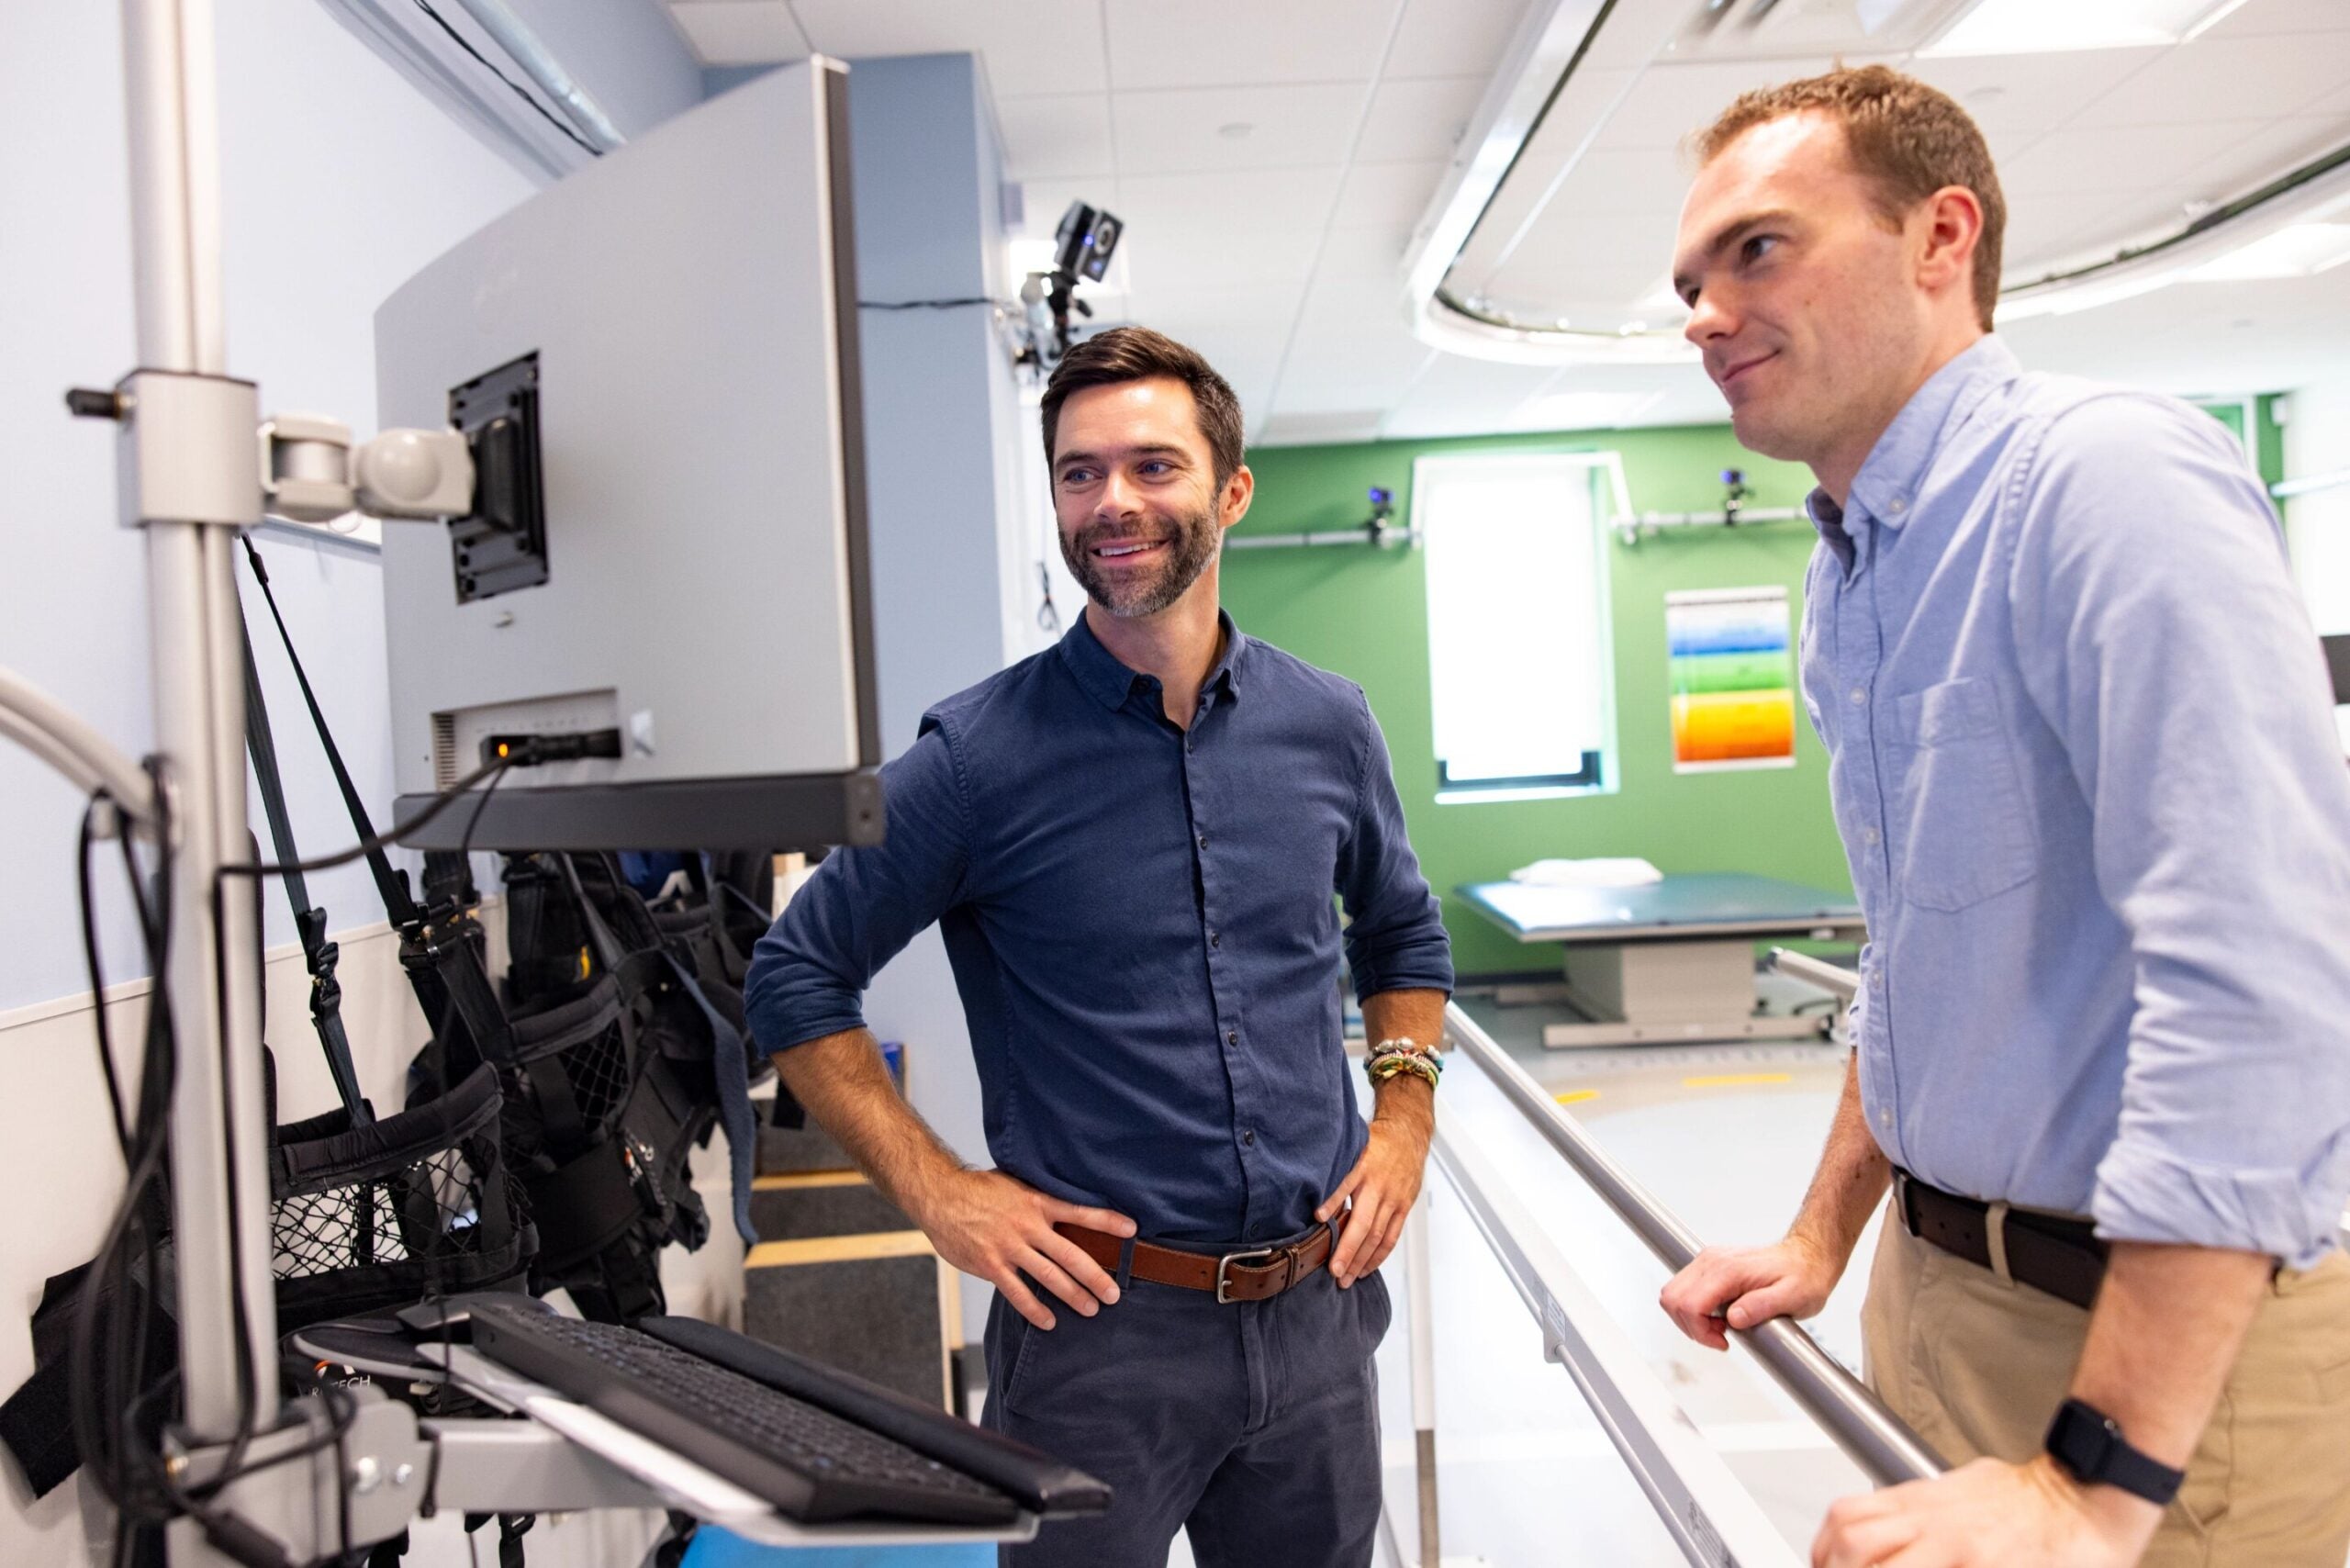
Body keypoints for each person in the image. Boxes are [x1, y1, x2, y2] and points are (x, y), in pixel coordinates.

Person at [1654, 65, 2350, 1568]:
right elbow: (1921, 952)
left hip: (2161, 1358)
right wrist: (1825, 1234)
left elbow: (2266, 981)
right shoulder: (1853, 572)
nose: (1705, 310)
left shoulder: (2102, 479)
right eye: (1691, 282)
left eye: (1758, 250)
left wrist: (2095, 1477)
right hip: (1942, 1286)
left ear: (1939, 237)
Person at [744, 325, 1454, 1567]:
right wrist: (939, 1190)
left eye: (1152, 466)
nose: (1112, 503)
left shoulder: (1327, 726)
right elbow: (794, 974)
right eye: (1079, 473)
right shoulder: (976, 759)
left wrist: (1401, 1121)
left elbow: (1402, 933)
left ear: (1230, 491)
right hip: (1099, 1341)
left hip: (1319, 1317)